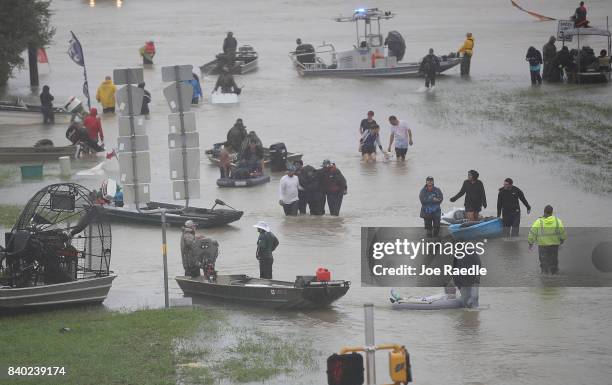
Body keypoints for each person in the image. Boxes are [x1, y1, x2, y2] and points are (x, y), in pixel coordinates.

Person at [528, 205, 567, 274]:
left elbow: (532, 232)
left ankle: (544, 276)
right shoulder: (557, 221)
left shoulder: (539, 221)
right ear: (552, 212)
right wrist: (562, 240)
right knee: (554, 262)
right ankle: (554, 276)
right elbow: (562, 232)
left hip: (542, 246)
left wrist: (530, 242)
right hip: (554, 245)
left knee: (543, 262)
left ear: (544, 212)